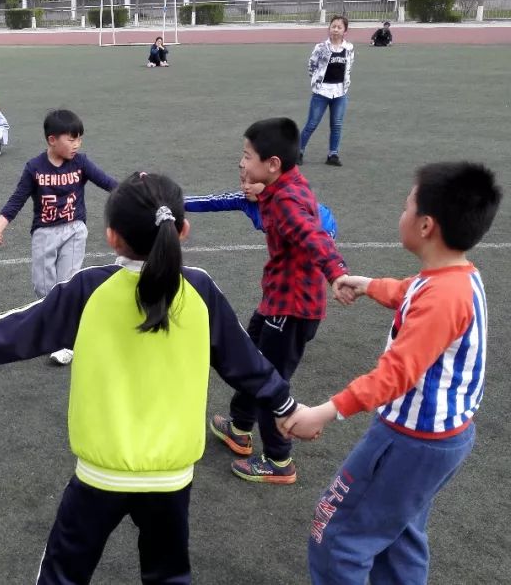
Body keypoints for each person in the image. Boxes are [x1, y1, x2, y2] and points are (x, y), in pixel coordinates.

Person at [0, 172, 303, 584]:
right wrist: (285, 405)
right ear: (183, 230)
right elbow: (245, 362)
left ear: (111, 237)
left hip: (100, 475)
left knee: (63, 574)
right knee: (168, 575)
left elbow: (13, 333)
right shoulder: (200, 289)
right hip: (171, 477)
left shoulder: (91, 288)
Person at [283, 162, 501, 584]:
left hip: (411, 441)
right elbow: (409, 292)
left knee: (337, 537)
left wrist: (324, 412)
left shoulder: (441, 298)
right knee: (399, 536)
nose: (399, 215)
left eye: (405, 208)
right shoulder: (455, 278)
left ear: (425, 226)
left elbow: (395, 374)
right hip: (440, 439)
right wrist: (366, 284)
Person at [208, 117, 349, 485]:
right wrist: (262, 192)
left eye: (247, 155)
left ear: (272, 164)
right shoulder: (287, 183)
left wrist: (337, 273)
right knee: (249, 358)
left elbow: (313, 236)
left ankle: (278, 460)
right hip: (277, 302)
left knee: (270, 378)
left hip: (292, 309)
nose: (241, 163)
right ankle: (240, 427)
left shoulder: (286, 200)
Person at [0, 109, 117, 365]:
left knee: (67, 284)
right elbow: (17, 199)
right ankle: (57, 325)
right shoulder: (35, 167)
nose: (76, 145)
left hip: (74, 229)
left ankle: (66, 341)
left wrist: (139, 189)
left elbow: (108, 183)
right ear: (52, 140)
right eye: (71, 139)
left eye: (79, 139)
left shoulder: (81, 162)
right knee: (43, 287)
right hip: (44, 233)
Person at [299, 15, 355, 167]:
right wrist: (316, 81)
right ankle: (298, 151)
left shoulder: (348, 48)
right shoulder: (321, 47)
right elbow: (312, 66)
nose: (335, 29)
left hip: (340, 93)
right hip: (321, 92)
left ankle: (333, 154)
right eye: (333, 26)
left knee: (336, 125)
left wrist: (345, 84)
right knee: (312, 124)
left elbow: (348, 67)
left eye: (339, 27)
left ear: (345, 31)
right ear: (329, 28)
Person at [184, 184, 339, 239]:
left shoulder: (287, 201)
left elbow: (320, 237)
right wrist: (174, 201)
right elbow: (212, 202)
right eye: (243, 181)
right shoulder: (245, 200)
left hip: (322, 230)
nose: (245, 187)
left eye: (252, 182)